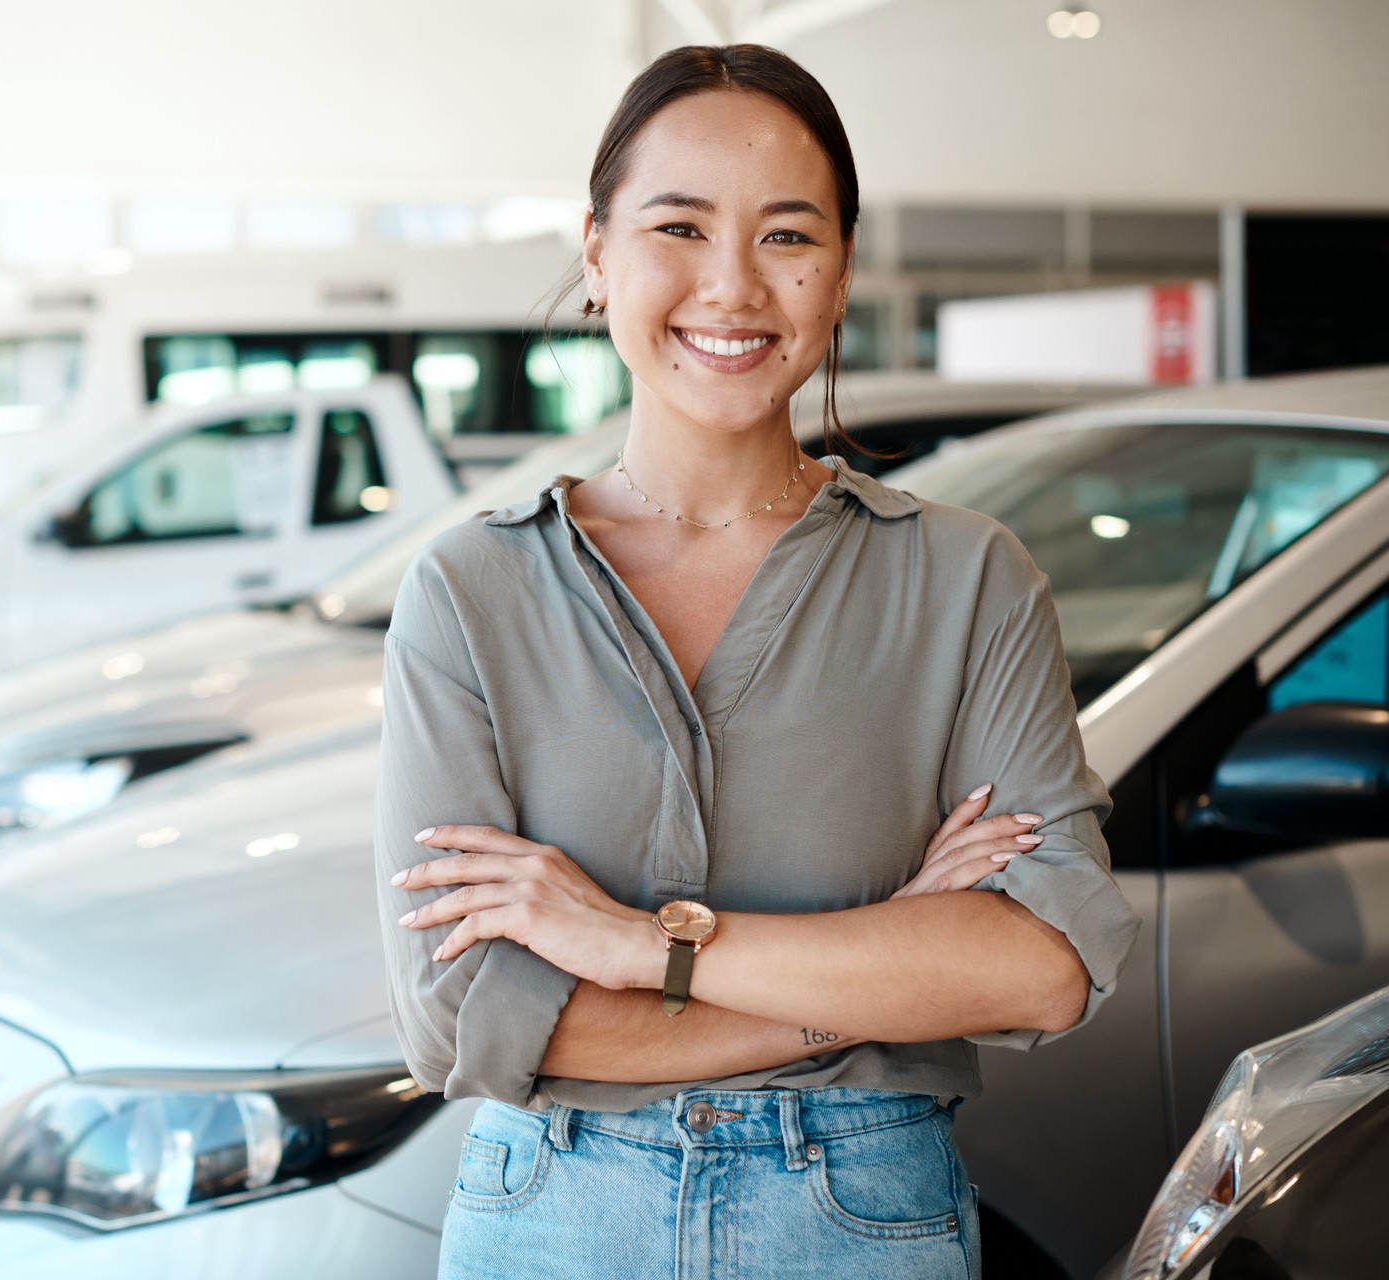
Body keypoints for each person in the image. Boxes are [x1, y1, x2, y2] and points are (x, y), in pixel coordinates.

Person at [373, 44, 1141, 1280]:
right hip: (550, 1211)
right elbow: (463, 1016)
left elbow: (1044, 967)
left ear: (840, 272)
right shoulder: (472, 591)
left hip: (862, 1215)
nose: (731, 287)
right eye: (678, 224)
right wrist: (896, 954)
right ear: (597, 251)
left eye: (788, 236)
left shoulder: (964, 577)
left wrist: (641, 947)